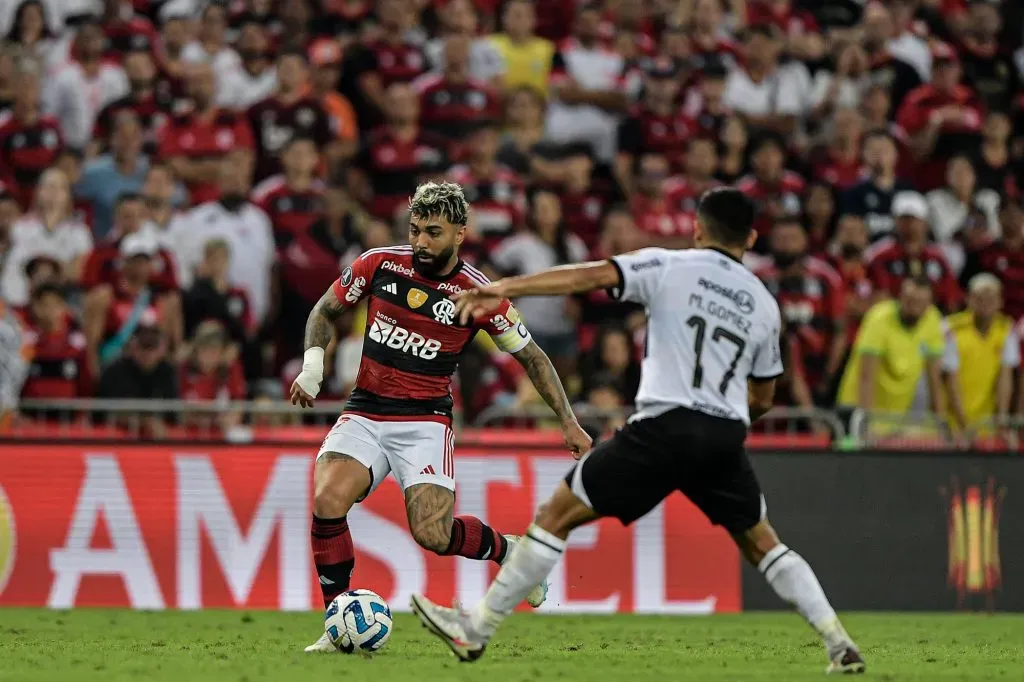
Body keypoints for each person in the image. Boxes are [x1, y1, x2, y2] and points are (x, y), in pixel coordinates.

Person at [410, 187, 865, 674]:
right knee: (764, 543)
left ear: (696, 228)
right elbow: (765, 397)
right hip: (722, 435)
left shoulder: (668, 266)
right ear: (751, 237)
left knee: (556, 516)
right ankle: (838, 642)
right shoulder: (764, 304)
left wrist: (505, 288)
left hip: (662, 427)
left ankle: (475, 631)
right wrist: (727, 423)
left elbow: (590, 276)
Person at [291, 182, 590, 653]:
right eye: (415, 230)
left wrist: (568, 421)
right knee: (327, 500)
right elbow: (325, 311)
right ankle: (336, 622)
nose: (421, 242)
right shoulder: (379, 264)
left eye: (433, 232)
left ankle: (512, 552)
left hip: (424, 422)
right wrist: (313, 365)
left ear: (460, 234)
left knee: (433, 534)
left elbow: (533, 357)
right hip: (366, 409)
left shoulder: (478, 294)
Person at [942, 274, 1018, 436]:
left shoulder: (1006, 329)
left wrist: (1002, 421)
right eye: (979, 298)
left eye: (991, 298)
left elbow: (1005, 378)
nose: (986, 303)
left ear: (1000, 301)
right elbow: (950, 381)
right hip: (953, 424)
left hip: (987, 425)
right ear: (968, 299)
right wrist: (964, 427)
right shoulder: (951, 328)